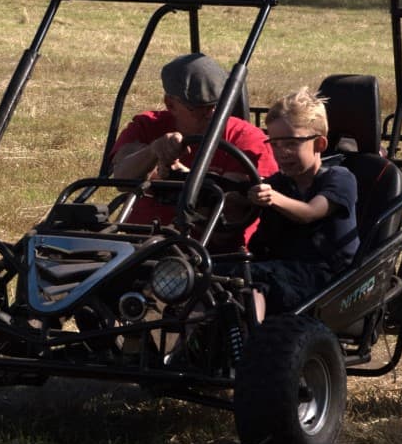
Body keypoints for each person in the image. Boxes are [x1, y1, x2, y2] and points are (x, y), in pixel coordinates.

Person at [110, 53, 277, 249]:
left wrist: (183, 178)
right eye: (201, 107)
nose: (213, 113)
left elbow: (237, 208)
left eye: (218, 104)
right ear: (170, 104)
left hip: (213, 254)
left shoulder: (247, 138)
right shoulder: (148, 126)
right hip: (141, 243)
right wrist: (153, 151)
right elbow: (121, 177)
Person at [246, 87, 359, 320]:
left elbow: (310, 212)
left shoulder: (339, 178)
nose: (282, 153)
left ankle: (250, 348)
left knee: (253, 282)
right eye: (275, 144)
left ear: (319, 144)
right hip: (283, 270)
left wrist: (273, 198)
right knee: (212, 278)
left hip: (328, 279)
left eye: (291, 143)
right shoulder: (278, 183)